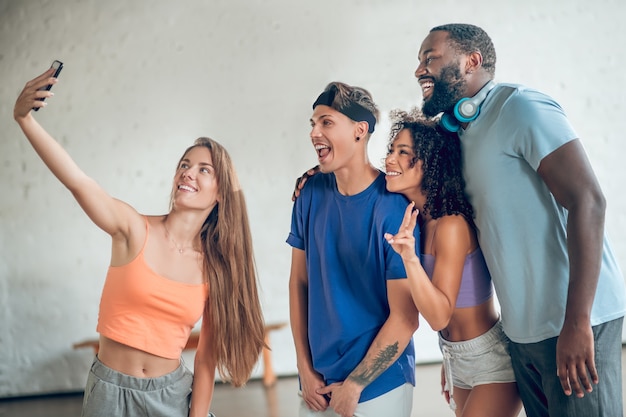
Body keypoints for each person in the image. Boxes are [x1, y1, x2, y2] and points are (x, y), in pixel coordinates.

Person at [13, 67, 266, 417]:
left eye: (204, 169)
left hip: (174, 396)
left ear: (221, 192)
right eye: (184, 164)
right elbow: (79, 182)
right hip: (110, 393)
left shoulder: (215, 265)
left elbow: (206, 357)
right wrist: (24, 119)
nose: (188, 172)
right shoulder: (132, 228)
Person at [413, 23, 626, 416]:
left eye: (431, 58)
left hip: (575, 320)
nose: (419, 70)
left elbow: (589, 200)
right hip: (523, 333)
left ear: (471, 61)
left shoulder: (520, 107)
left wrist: (577, 322)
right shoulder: (461, 133)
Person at [287, 82, 420, 417]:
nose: (314, 132)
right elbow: (299, 283)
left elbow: (404, 317)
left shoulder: (392, 210)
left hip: (377, 385)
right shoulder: (310, 193)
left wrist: (357, 384)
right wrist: (303, 366)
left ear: (360, 130)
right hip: (318, 383)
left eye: (326, 122)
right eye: (313, 124)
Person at [382, 110, 522, 417]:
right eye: (391, 150)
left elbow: (439, 316)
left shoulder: (451, 226)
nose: (390, 160)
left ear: (429, 164)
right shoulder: (420, 219)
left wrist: (408, 257)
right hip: (454, 356)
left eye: (403, 153)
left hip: (490, 359)